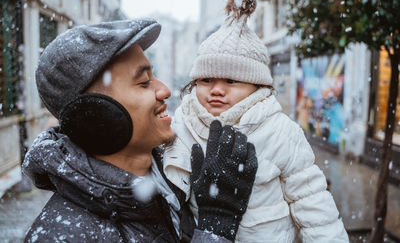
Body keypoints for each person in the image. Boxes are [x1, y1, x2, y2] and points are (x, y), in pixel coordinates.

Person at [22, 18, 258, 242]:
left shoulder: (172, 181)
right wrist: (215, 228)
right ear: (94, 114)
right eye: (144, 82)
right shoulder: (63, 236)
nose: (165, 90)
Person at [163, 0, 349, 242]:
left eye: (231, 80)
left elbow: (311, 199)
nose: (216, 89)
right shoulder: (183, 122)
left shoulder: (279, 130)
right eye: (206, 79)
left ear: (256, 86)